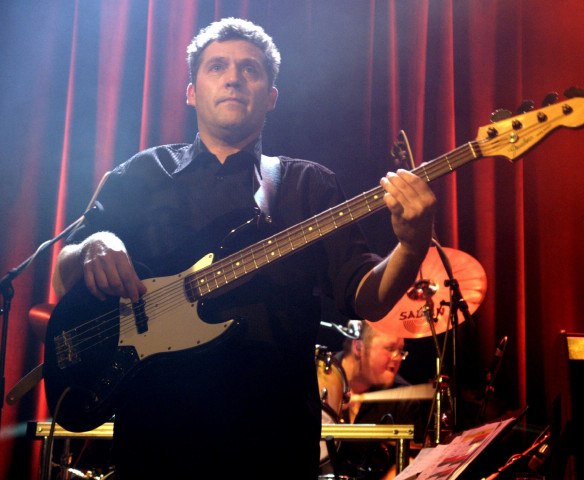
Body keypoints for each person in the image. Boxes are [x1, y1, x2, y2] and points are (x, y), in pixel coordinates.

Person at [51, 17, 436, 479]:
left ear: (271, 97)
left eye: (250, 68)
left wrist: (412, 244)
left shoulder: (307, 185)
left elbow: (368, 299)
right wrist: (94, 244)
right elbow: (63, 276)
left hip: (274, 445)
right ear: (191, 91)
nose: (233, 77)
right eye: (217, 66)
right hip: (155, 440)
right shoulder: (142, 174)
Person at [322, 321, 426, 479]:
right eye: (390, 349)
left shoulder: (403, 397)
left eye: (401, 351)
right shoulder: (317, 377)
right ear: (359, 348)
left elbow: (411, 462)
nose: (398, 357)